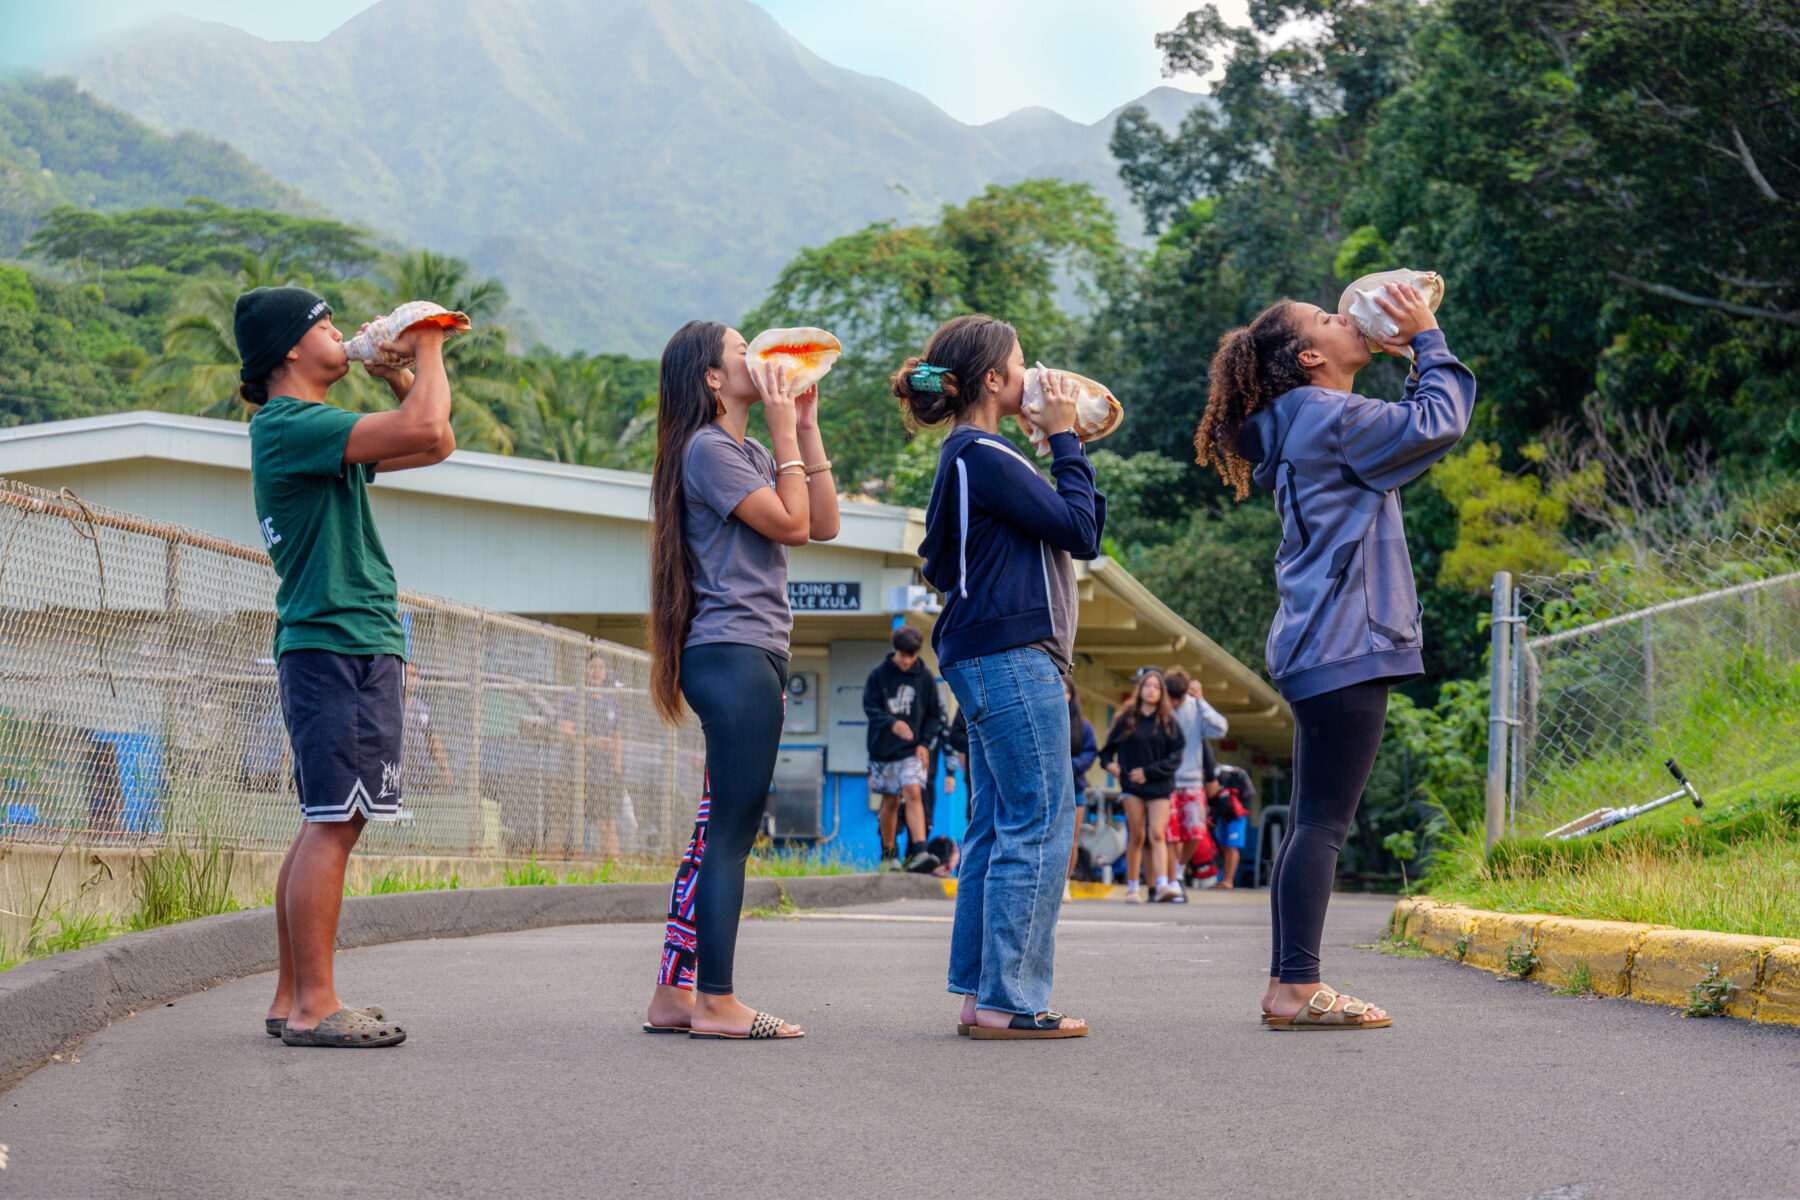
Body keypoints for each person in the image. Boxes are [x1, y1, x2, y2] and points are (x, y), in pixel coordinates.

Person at [1195, 280, 1474, 1030]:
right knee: (1322, 823)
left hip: (1317, 641)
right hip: (1346, 641)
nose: (1344, 315)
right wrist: (1426, 340)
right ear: (1311, 355)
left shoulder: (1296, 420)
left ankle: (1292, 984)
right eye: (1326, 318)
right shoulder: (1331, 417)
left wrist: (1411, 356)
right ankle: (1294, 987)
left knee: (1314, 821)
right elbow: (1440, 422)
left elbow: (1412, 424)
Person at [242, 285, 453, 1048]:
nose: (341, 333)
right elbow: (428, 426)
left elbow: (433, 441)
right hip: (339, 640)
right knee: (335, 823)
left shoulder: (309, 427)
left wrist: (399, 372)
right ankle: (314, 1007)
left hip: (340, 639)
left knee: (325, 822)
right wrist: (425, 339)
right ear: (291, 351)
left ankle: (291, 995)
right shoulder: (291, 423)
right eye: (326, 325)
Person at [898, 313, 1105, 1040]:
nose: (1032, 376)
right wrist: (1064, 439)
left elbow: (938, 559)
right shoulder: (985, 454)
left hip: (983, 654)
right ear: (993, 380)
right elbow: (1081, 531)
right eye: (1021, 367)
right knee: (1040, 823)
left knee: (994, 826)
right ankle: (1010, 1000)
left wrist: (1049, 446)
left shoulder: (968, 455)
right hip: (1015, 656)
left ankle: (982, 990)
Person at [641, 320, 839, 1040]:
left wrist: (805, 424)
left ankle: (673, 993)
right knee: (732, 832)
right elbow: (789, 524)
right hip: (733, 653)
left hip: (744, 653)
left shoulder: (747, 449)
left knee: (709, 834)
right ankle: (718, 1002)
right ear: (713, 380)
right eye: (740, 353)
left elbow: (824, 522)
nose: (760, 360)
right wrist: (785, 430)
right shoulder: (709, 449)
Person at [863, 624, 946, 873]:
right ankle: (889, 854)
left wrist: (924, 744)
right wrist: (892, 723)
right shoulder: (878, 675)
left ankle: (919, 850)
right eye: (902, 655)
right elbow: (870, 707)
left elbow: (935, 714)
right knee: (890, 800)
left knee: (913, 791)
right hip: (884, 750)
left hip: (912, 750)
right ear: (894, 650)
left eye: (911, 656)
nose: (906, 661)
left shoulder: (925, 678)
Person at [1099, 669, 1185, 903]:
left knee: (1157, 833)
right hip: (1132, 786)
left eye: (1157, 687)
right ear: (1140, 689)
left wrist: (1148, 773)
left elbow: (1176, 755)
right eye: (1148, 685)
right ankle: (1133, 886)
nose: (1151, 690)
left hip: (1159, 785)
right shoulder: (1126, 719)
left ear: (1162, 693)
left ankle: (1161, 885)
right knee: (1136, 835)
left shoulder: (1168, 722)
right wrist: (1111, 766)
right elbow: (1106, 753)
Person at [1164, 666, 1224, 899]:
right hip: (1167, 781)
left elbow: (1219, 729)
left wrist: (1201, 701)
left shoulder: (1195, 707)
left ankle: (1178, 869)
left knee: (1196, 833)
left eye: (1179, 698)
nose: (1176, 703)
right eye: (1172, 698)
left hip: (1192, 781)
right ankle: (1172, 879)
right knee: (1171, 834)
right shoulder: (1162, 709)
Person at [558, 652, 624, 860]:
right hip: (573, 774)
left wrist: (617, 774)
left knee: (607, 825)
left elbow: (617, 742)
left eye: (600, 668)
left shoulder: (611, 704)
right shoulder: (572, 699)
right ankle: (549, 867)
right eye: (592, 667)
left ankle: (616, 875)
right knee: (561, 823)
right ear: (585, 671)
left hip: (602, 777)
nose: (596, 672)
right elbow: (566, 732)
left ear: (605, 674)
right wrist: (594, 742)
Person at [1064, 676, 1098, 897]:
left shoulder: (1083, 726)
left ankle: (1065, 884)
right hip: (1049, 789)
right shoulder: (1044, 721)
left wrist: (1069, 765)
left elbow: (1090, 752)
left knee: (1071, 838)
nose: (1062, 695)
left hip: (1075, 788)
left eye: (1066, 691)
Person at [402, 664, 455, 795]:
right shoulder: (393, 705)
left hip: (419, 777)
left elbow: (433, 739)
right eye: (408, 674)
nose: (412, 679)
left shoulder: (422, 708)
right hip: (398, 775)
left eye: (414, 675)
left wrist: (445, 770)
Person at [1209, 764, 1254, 890]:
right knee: (1224, 847)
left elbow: (1223, 800)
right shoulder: (1218, 774)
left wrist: (1211, 816)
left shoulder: (1220, 775)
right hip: (1227, 816)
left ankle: (1229, 881)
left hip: (1236, 815)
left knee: (1232, 847)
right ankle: (1224, 880)